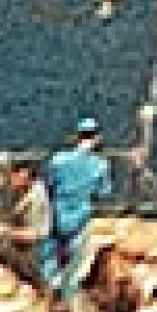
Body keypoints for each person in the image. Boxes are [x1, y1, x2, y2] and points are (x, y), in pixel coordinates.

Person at [44, 117, 112, 300]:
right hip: (81, 219)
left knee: (50, 261)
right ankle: (68, 303)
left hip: (56, 216)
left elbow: (49, 186)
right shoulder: (100, 165)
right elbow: (103, 193)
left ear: (77, 136)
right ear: (97, 138)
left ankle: (46, 297)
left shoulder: (58, 160)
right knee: (75, 265)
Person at [0, 161, 52, 285]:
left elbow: (35, 235)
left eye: (16, 177)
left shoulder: (37, 199)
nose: (12, 181)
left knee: (1, 246)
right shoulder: (24, 191)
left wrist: (4, 231)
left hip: (38, 251)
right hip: (27, 242)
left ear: (26, 177)